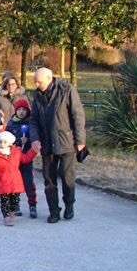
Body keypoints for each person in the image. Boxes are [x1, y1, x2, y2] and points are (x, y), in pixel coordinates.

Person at [29, 67, 86, 224]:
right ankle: (54, 211)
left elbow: (78, 115)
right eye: (35, 81)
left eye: (39, 82)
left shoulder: (67, 90)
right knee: (49, 179)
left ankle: (69, 205)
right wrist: (35, 139)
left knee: (67, 177)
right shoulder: (37, 95)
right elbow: (33, 119)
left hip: (65, 141)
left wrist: (80, 141)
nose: (36, 84)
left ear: (49, 79)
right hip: (47, 144)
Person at [0, 131, 38, 226]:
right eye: (0, 142)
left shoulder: (17, 152)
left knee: (15, 200)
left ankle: (11, 214)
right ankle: (6, 216)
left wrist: (33, 151)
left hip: (15, 181)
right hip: (3, 182)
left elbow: (25, 159)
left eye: (4, 142)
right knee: (4, 201)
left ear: (10, 143)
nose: (2, 144)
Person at [5, 97, 38, 218]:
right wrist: (18, 141)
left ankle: (32, 205)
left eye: (24, 109)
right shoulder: (11, 123)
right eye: (19, 110)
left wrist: (27, 140)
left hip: (27, 157)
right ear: (16, 111)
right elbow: (6, 139)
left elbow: (35, 137)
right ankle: (15, 205)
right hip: (14, 158)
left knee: (28, 182)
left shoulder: (31, 123)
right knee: (15, 182)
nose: (22, 112)